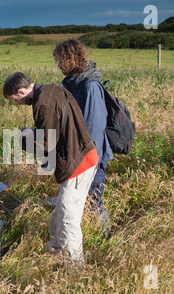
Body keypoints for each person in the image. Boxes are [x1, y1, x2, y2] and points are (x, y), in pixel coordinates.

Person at [3, 72, 99, 265]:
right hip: (84, 156)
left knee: (67, 218)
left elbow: (47, 144)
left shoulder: (42, 104)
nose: (18, 104)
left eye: (16, 100)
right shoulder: (52, 89)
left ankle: (74, 268)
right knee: (59, 214)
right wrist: (33, 131)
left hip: (77, 163)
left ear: (22, 91)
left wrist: (24, 138)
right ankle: (55, 255)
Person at [53, 39, 113, 238]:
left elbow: (94, 127)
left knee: (93, 198)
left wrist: (87, 158)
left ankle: (106, 238)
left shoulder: (90, 86)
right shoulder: (69, 83)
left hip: (91, 154)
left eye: (61, 60)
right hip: (75, 153)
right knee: (79, 199)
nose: (58, 65)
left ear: (71, 59)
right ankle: (89, 234)